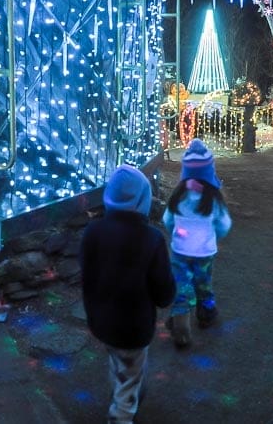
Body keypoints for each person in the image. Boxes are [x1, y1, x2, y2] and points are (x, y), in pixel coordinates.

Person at [80, 164, 175, 423]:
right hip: (133, 328)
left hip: (100, 320)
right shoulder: (151, 239)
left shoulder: (92, 232)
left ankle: (121, 388)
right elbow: (163, 289)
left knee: (119, 361)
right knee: (130, 379)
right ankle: (120, 414)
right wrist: (168, 296)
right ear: (143, 199)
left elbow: (87, 275)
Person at [163, 138, 232, 349]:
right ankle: (206, 313)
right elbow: (224, 225)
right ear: (209, 173)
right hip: (205, 252)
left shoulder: (178, 197)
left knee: (181, 287)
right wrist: (213, 237)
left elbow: (167, 221)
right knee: (204, 284)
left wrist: (178, 234)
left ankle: (181, 326)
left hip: (180, 251)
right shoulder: (214, 199)